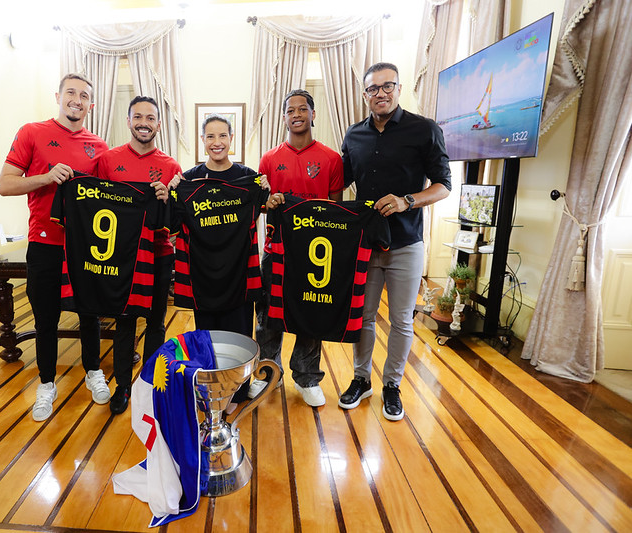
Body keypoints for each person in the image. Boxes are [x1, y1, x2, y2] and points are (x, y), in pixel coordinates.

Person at [339, 62, 451, 420]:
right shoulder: (354, 135)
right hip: (365, 243)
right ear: (365, 95)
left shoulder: (424, 129)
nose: (381, 93)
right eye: (373, 88)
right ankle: (361, 379)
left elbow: (443, 185)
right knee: (363, 317)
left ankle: (392, 385)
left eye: (388, 86)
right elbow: (336, 183)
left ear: (399, 89)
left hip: (406, 243)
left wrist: (407, 200)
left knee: (402, 320)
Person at [0, 73, 111, 422]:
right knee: (45, 318)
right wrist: (47, 177)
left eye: (84, 96)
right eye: (71, 93)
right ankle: (46, 383)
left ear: (91, 105)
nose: (77, 100)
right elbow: (4, 184)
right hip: (44, 243)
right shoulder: (32, 132)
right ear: (58, 97)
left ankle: (94, 371)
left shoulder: (100, 146)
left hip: (86, 246)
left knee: (90, 313)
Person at [252, 89, 345, 407]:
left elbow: (335, 210)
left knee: (311, 313)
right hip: (276, 249)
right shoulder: (269, 159)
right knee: (267, 313)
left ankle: (307, 377)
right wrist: (269, 202)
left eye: (302, 109)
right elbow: (260, 205)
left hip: (316, 253)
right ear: (284, 118)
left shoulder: (331, 159)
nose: (296, 114)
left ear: (313, 114)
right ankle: (268, 373)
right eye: (290, 110)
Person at [172, 114, 270, 407]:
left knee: (240, 336)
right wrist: (173, 190)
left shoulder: (248, 178)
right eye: (211, 136)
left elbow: (265, 207)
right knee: (208, 339)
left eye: (222, 136)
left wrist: (265, 189)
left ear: (231, 139)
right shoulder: (188, 180)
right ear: (202, 140)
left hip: (239, 275)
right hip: (202, 276)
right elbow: (174, 221)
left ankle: (238, 391)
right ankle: (211, 390)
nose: (217, 142)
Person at [96, 96, 178, 415]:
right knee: (124, 321)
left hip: (159, 253)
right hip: (122, 256)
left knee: (156, 322)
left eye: (150, 118)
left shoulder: (171, 166)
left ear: (158, 124)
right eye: (138, 117)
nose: (144, 123)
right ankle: (123, 386)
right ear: (128, 121)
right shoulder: (108, 160)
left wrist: (167, 199)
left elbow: (177, 219)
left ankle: (150, 385)